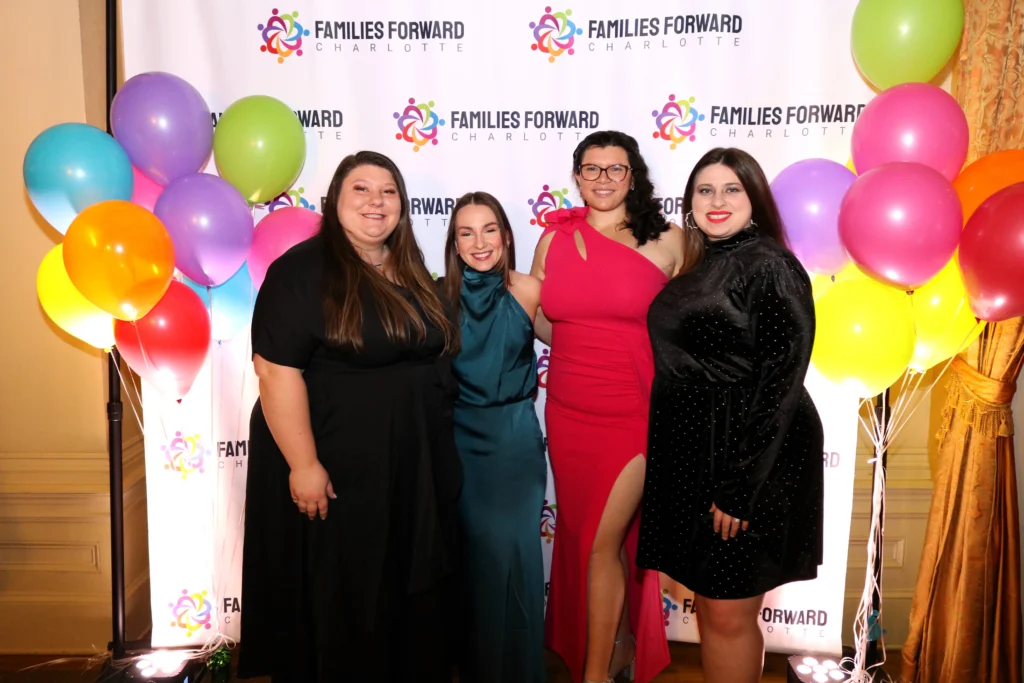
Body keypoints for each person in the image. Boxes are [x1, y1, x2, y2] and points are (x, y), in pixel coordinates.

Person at [238, 151, 462, 683]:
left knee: (400, 587)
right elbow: (275, 371)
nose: (375, 201)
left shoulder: (408, 267)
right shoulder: (302, 271)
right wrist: (304, 465)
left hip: (406, 464)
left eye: (388, 191)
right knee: (347, 590)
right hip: (338, 468)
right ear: (334, 200)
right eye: (360, 189)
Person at [637, 147, 825, 683]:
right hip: (700, 450)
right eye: (705, 190)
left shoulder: (770, 265)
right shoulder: (709, 261)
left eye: (731, 189)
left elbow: (781, 380)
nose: (716, 201)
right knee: (717, 608)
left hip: (748, 454)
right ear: (690, 203)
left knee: (725, 612)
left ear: (754, 198)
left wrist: (741, 487)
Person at [530, 130, 690, 683]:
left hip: (633, 414)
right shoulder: (553, 240)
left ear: (633, 175)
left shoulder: (669, 240)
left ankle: (593, 674)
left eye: (615, 169)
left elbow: (690, 327)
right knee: (591, 538)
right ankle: (619, 648)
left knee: (600, 542)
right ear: (577, 176)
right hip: (567, 410)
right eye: (591, 169)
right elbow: (544, 321)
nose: (603, 179)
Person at [441, 191, 547, 683]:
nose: (479, 242)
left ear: (506, 236)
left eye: (489, 230)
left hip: (513, 441)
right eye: (467, 232)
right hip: (459, 443)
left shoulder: (529, 289)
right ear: (454, 243)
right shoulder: (437, 296)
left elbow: (576, 340)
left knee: (515, 556)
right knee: (473, 560)